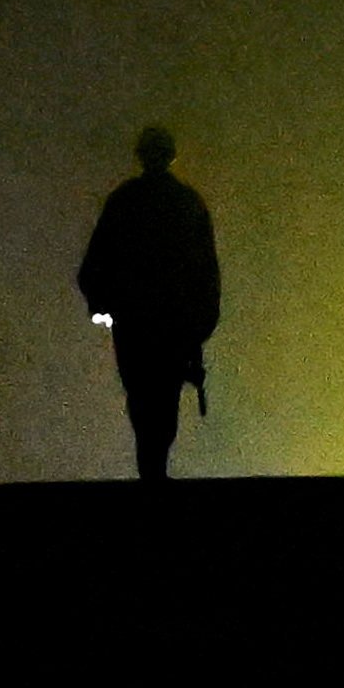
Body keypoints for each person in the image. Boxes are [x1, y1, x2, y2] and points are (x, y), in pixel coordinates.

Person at [78, 125, 222, 480]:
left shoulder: (124, 201)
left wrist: (103, 305)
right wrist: (199, 325)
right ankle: (154, 475)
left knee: (142, 399)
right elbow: (207, 273)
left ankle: (151, 474)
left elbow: (93, 266)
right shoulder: (188, 204)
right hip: (174, 323)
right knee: (163, 400)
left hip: (135, 321)